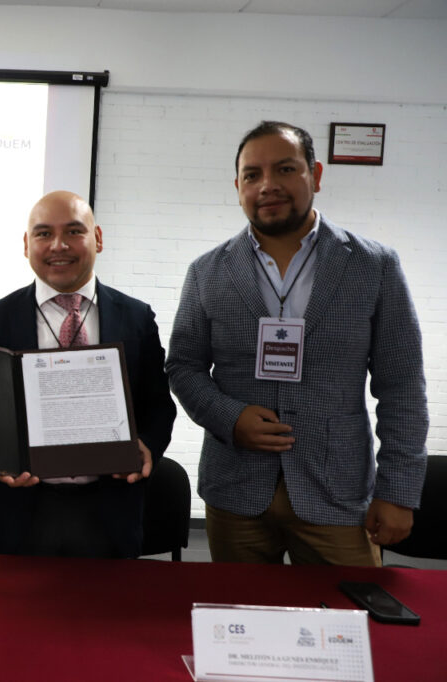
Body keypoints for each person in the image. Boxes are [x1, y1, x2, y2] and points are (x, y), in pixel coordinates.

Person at [166, 121, 428, 566]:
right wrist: (231, 418)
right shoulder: (207, 271)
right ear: (238, 187)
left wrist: (398, 490)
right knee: (239, 609)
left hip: (337, 493)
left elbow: (402, 384)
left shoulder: (374, 266)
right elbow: (183, 366)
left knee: (347, 607)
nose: (267, 185)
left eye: (285, 169)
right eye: (252, 175)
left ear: (315, 175)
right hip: (236, 492)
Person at [0, 190, 176, 558]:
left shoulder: (136, 318)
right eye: (43, 233)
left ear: (97, 238)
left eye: (73, 231)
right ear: (26, 244)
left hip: (110, 507)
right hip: (21, 509)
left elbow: (159, 405)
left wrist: (147, 444)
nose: (58, 245)